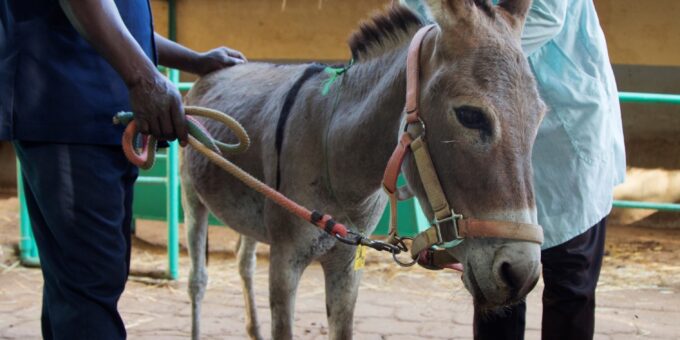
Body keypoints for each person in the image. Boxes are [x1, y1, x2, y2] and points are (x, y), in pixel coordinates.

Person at [0, 0, 245, 338]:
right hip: (74, 114)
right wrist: (146, 79)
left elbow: (124, 24)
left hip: (89, 116)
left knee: (78, 284)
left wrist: (193, 60)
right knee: (89, 283)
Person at [400, 0, 626, 339]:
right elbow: (412, 12)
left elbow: (548, 14)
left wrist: (465, 55)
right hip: (476, 121)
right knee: (494, 274)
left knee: (570, 280)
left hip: (561, 126)